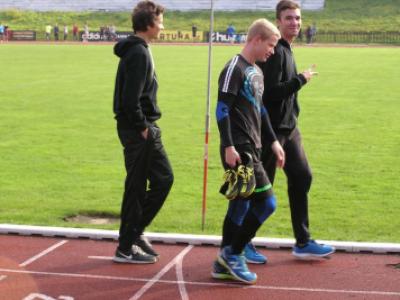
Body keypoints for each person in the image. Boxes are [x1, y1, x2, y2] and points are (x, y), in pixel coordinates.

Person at [257, 0, 335, 259]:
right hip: (273, 131)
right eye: (289, 18)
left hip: (290, 129)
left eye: (298, 18)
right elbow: (269, 93)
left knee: (302, 177)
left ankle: (302, 242)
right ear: (278, 21)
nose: (295, 23)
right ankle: (239, 242)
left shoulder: (287, 49)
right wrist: (301, 79)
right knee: (260, 190)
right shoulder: (276, 51)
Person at [212, 18, 285, 284]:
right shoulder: (234, 68)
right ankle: (233, 253)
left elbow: (260, 110)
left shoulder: (257, 72)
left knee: (240, 206)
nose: (273, 50)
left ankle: (223, 260)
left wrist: (274, 141)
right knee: (267, 203)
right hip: (239, 148)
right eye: (270, 44)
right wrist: (229, 146)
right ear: (256, 39)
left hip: (254, 145)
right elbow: (221, 109)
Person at [112, 0, 174, 264]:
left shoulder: (139, 50)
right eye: (159, 21)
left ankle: (134, 233)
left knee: (162, 179)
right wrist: (142, 128)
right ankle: (126, 246)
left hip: (144, 128)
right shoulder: (138, 53)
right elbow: (129, 99)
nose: (162, 26)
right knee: (138, 187)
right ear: (148, 24)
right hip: (139, 130)